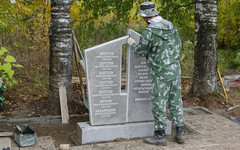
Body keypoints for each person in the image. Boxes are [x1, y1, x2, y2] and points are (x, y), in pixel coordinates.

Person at [127, 1, 185, 146]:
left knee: (159, 102)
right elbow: (179, 46)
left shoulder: (150, 32)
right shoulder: (171, 25)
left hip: (160, 72)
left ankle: (160, 135)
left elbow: (141, 51)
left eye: (142, 17)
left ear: (146, 17)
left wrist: (132, 43)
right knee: (175, 100)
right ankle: (180, 132)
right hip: (175, 70)